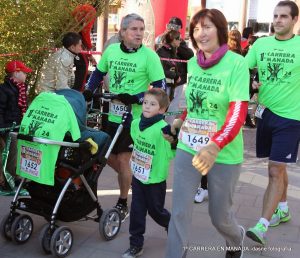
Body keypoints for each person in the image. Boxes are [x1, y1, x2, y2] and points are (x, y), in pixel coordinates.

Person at [163, 8, 249, 258]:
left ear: (220, 30)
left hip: (223, 153)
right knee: (179, 211)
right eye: (196, 28)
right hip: (189, 146)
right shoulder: (192, 63)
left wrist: (215, 145)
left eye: (207, 27)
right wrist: (180, 121)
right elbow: (194, 104)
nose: (201, 33)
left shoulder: (237, 64)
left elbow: (237, 113)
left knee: (219, 216)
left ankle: (235, 239)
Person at [84, 13, 166, 221]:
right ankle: (134, 174)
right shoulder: (111, 51)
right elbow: (98, 73)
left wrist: (138, 98)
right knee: (106, 156)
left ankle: (122, 202)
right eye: (134, 29)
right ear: (122, 32)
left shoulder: (150, 57)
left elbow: (160, 88)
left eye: (141, 29)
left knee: (123, 160)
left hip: (134, 120)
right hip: (110, 114)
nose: (139, 33)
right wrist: (88, 90)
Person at [245, 1, 300, 246]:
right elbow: (242, 69)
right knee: (280, 166)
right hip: (265, 114)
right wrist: (251, 82)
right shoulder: (261, 44)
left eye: (284, 16)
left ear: (294, 20)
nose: (278, 20)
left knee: (274, 169)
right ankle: (284, 208)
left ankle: (262, 226)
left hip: (292, 117)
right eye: (275, 16)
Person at [122, 88, 174, 258]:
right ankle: (135, 244)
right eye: (145, 102)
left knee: (155, 211)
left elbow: (171, 152)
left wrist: (173, 140)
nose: (147, 106)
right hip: (138, 176)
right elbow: (135, 138)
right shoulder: (137, 123)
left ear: (161, 109)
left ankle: (172, 224)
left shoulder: (163, 129)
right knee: (137, 210)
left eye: (152, 104)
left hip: (155, 180)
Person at [0, 60, 33, 191]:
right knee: (11, 149)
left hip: (15, 126)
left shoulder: (20, 89)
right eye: (24, 72)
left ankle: (12, 176)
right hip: (6, 127)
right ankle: (8, 178)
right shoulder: (4, 89)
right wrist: (2, 129)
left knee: (16, 150)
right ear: (16, 72)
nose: (26, 75)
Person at [155, 17, 194, 125]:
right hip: (166, 79)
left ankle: (167, 129)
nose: (173, 29)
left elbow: (189, 55)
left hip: (177, 81)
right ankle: (161, 128)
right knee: (162, 105)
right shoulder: (161, 40)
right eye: (171, 26)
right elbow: (160, 59)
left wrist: (177, 44)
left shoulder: (179, 42)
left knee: (172, 107)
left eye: (176, 28)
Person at [72, 4, 97, 92]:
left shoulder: (76, 6)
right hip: (75, 40)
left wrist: (89, 54)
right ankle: (78, 92)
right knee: (83, 65)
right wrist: (89, 48)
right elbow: (85, 31)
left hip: (68, 38)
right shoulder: (90, 10)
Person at [156, 30, 182, 101]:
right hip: (163, 86)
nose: (181, 41)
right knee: (161, 109)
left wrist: (177, 76)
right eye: (179, 39)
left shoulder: (172, 51)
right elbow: (161, 69)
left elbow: (174, 66)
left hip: (170, 86)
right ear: (174, 40)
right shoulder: (162, 51)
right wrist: (176, 76)